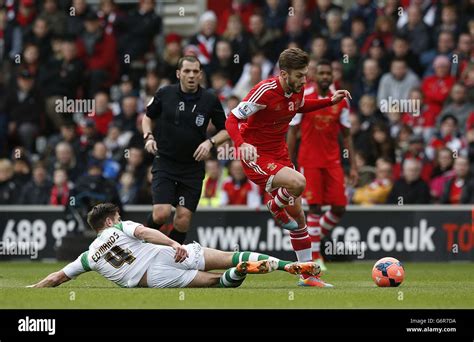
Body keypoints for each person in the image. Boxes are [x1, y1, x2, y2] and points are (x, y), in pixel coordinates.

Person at [225, 47, 350, 287]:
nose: (305, 80)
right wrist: (241, 145)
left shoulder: (297, 89)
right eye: (300, 75)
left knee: (298, 217)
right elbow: (232, 119)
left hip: (279, 154)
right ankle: (274, 204)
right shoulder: (264, 91)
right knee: (298, 182)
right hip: (256, 155)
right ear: (284, 74)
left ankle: (307, 274)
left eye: (305, 75)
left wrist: (328, 101)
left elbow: (298, 107)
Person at [28, 203, 323, 289]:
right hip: (165, 252)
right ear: (108, 221)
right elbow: (145, 232)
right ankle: (289, 267)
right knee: (229, 255)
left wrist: (30, 291)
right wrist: (173, 242)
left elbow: (56, 278)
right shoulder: (121, 226)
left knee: (214, 284)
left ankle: (239, 274)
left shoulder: (88, 256)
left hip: (152, 279)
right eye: (116, 216)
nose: (120, 218)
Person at [142, 56, 229, 244]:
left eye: (195, 71)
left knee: (182, 220)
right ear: (178, 73)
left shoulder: (209, 99)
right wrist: (148, 137)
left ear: (200, 74)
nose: (191, 75)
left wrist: (210, 142)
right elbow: (147, 117)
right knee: (161, 214)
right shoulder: (164, 93)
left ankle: (172, 260)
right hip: (165, 162)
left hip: (192, 168)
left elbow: (227, 129)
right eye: (187, 71)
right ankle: (139, 246)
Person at [287, 59, 357, 271]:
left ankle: (313, 238)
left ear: (333, 76)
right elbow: (292, 131)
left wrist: (353, 165)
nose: (326, 76)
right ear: (315, 76)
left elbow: (347, 135)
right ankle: (316, 257)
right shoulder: (304, 98)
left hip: (333, 161)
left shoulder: (342, 100)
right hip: (309, 161)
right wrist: (288, 162)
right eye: (322, 73)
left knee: (339, 207)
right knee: (315, 207)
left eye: (329, 73)